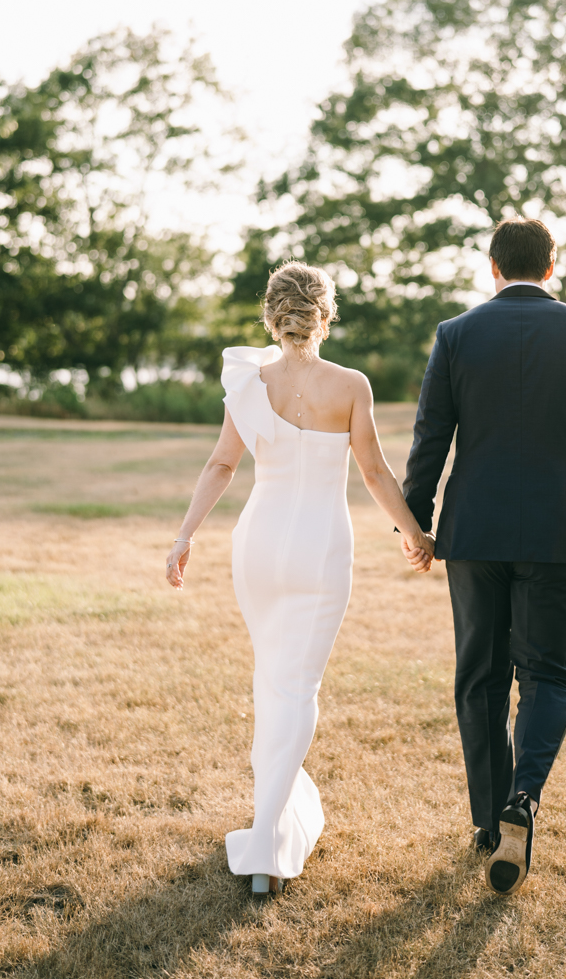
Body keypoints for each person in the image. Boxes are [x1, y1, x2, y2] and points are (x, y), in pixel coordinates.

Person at [165, 261, 432, 895]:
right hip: (318, 549)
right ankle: (265, 849)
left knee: (273, 681)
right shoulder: (351, 385)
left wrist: (184, 536)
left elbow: (221, 464)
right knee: (295, 687)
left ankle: (274, 826)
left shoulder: (250, 384)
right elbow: (373, 473)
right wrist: (415, 534)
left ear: (271, 314)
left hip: (257, 545)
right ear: (326, 314)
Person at [400, 217, 566, 896]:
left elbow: (430, 437)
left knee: (479, 677)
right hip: (561, 530)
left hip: (474, 531)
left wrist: (419, 522)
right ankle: (522, 802)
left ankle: (486, 822)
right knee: (547, 676)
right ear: (552, 268)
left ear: (493, 267)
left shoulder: (456, 334)